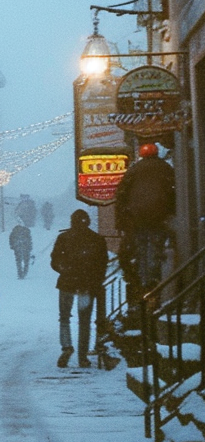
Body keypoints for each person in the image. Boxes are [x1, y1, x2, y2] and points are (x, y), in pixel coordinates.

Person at [49, 209, 109, 368]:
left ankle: (66, 347)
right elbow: (102, 264)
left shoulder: (64, 238)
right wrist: (95, 280)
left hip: (67, 283)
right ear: (87, 221)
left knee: (64, 317)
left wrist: (65, 269)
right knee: (85, 320)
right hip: (86, 285)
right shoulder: (96, 240)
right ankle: (83, 356)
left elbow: (54, 260)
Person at [114, 142, 175, 291]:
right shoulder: (165, 168)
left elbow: (121, 193)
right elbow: (173, 190)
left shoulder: (134, 170)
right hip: (160, 216)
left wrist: (121, 221)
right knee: (158, 246)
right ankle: (155, 280)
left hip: (137, 218)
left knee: (141, 248)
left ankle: (142, 282)